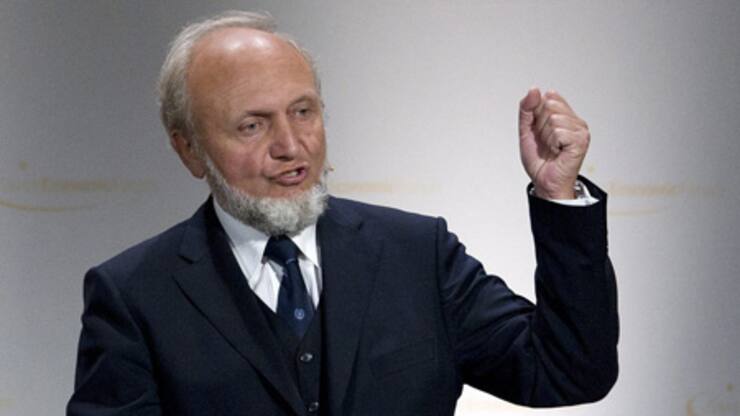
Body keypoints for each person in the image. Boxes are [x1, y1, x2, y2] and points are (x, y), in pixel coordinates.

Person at [67, 10, 618, 416]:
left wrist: (558, 195)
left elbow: (567, 371)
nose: (291, 146)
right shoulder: (133, 296)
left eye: (303, 112)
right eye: (253, 125)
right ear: (188, 149)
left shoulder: (418, 255)